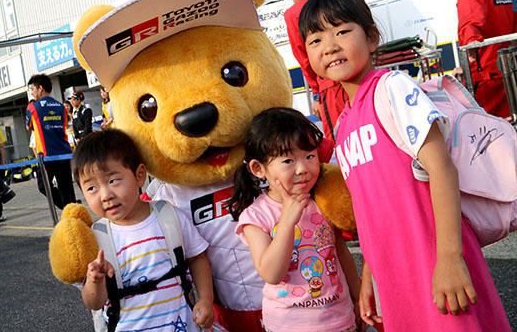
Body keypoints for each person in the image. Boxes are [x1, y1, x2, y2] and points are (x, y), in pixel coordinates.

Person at [298, 0, 511, 331]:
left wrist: (450, 258)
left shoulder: (392, 88)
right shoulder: (344, 122)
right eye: (316, 39)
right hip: (395, 278)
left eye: (341, 31)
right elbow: (368, 211)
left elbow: (441, 167)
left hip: (436, 263)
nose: (330, 45)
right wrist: (370, 274)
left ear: (371, 38)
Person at [229, 107, 360, 332]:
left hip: (340, 320)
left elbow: (341, 253)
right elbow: (272, 274)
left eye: (310, 156)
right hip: (287, 325)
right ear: (258, 168)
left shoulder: (322, 199)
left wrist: (358, 299)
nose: (302, 169)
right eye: (288, 161)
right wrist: (288, 220)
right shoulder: (256, 217)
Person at [72, 129, 215, 331]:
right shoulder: (96, 238)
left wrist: (206, 299)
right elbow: (93, 303)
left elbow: (197, 258)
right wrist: (95, 280)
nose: (105, 195)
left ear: (140, 176)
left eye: (113, 180)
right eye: (91, 188)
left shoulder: (169, 217)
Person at [446, 0, 517, 118]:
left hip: (486, 76)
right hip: (509, 70)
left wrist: (469, 54)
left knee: (488, 131)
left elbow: (471, 26)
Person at [284, 0, 347, 140]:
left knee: (339, 138)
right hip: (357, 76)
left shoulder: (294, 13)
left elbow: (304, 57)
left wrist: (316, 93)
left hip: (329, 83)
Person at [26, 74, 77, 209]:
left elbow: (28, 127)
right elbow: (64, 125)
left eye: (32, 89)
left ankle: (67, 208)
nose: (32, 93)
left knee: (44, 187)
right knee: (67, 189)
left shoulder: (32, 108)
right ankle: (72, 211)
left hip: (47, 156)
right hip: (64, 153)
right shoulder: (61, 106)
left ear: (40, 88)